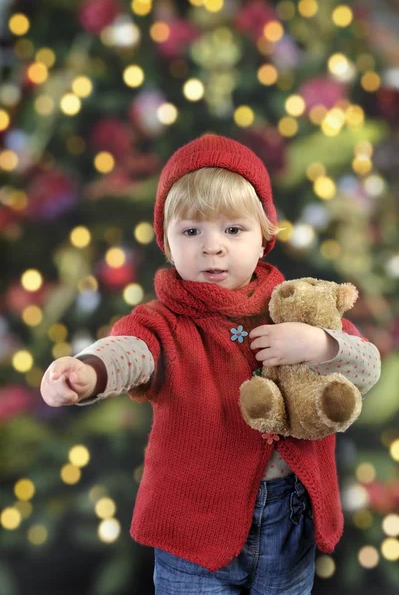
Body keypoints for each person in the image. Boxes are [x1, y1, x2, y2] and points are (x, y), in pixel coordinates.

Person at [40, 134, 381, 594]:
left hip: (289, 520)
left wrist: (318, 344)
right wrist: (88, 370)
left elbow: (367, 369)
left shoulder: (299, 305)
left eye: (233, 230)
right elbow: (131, 351)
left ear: (264, 237)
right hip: (193, 527)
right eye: (191, 231)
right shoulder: (164, 322)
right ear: (168, 242)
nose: (212, 247)